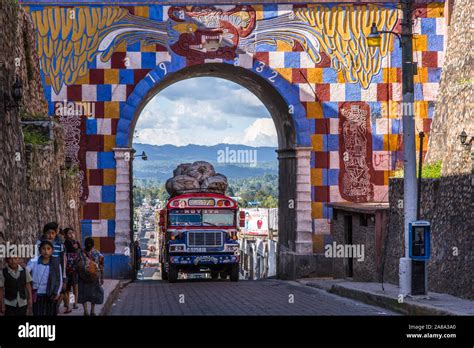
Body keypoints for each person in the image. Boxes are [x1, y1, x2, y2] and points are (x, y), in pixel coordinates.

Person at [27, 240, 63, 316]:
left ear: (52, 250)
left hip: (51, 293)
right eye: (43, 248)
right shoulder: (34, 260)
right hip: (37, 293)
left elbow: (59, 279)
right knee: (38, 312)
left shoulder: (56, 263)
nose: (46, 251)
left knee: (50, 312)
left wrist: (58, 292)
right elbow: (27, 270)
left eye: (48, 248)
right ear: (40, 250)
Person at [77, 237, 104, 316]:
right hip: (94, 277)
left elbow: (77, 265)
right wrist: (101, 277)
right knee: (94, 294)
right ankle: (92, 311)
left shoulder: (81, 253)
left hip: (82, 277)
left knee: (83, 294)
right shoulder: (97, 253)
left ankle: (85, 311)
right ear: (93, 245)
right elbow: (101, 266)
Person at [63, 227, 80, 313]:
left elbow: (79, 250)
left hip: (75, 268)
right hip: (67, 268)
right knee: (67, 288)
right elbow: (74, 250)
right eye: (69, 233)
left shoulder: (76, 242)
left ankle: (75, 302)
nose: (71, 234)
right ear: (66, 235)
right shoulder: (66, 243)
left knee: (75, 286)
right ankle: (68, 304)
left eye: (72, 233)